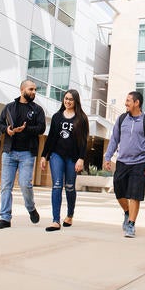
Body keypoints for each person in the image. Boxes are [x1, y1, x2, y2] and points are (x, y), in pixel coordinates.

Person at [103, 91, 145, 238]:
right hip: (122, 161)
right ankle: (127, 212)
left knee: (135, 194)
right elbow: (114, 139)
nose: (125, 103)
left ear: (136, 103)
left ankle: (131, 225)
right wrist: (108, 156)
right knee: (119, 191)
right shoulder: (122, 119)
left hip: (140, 162)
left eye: (128, 101)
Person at [0, 79, 46, 229]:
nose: (34, 92)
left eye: (35, 90)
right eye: (31, 89)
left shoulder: (38, 110)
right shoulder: (9, 107)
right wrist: (7, 130)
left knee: (25, 184)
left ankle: (31, 208)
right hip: (9, 152)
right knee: (6, 186)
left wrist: (26, 129)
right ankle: (5, 218)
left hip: (27, 154)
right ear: (22, 89)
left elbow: (41, 128)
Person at [40, 89, 89, 232]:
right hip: (57, 155)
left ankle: (70, 215)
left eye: (71, 99)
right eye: (66, 98)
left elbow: (84, 141)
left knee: (69, 186)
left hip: (73, 157)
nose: (67, 101)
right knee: (56, 185)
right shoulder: (56, 117)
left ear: (76, 101)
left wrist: (81, 158)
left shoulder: (81, 118)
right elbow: (51, 138)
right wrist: (44, 155)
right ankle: (55, 220)